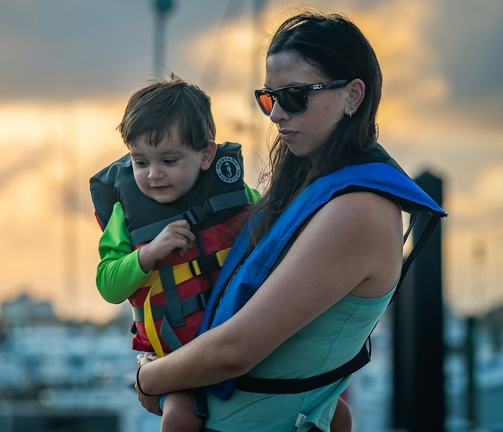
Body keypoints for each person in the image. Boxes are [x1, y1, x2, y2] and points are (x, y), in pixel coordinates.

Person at [133, 11, 447, 432]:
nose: (277, 113)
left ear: (353, 95)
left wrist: (147, 378)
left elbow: (235, 350)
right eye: (269, 98)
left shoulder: (357, 212)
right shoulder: (312, 192)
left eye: (295, 96)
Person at [90, 75, 260, 431]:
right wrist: (149, 253)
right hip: (180, 359)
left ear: (206, 154)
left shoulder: (232, 194)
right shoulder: (127, 214)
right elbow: (108, 285)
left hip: (246, 338)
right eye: (140, 162)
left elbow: (276, 231)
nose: (153, 175)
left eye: (169, 160)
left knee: (334, 410)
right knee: (179, 417)